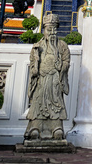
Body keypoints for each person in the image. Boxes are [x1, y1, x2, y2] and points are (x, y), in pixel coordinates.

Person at [24, 12, 70, 142]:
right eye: (49, 29)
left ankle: (56, 127)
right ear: (44, 30)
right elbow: (33, 65)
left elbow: (67, 61)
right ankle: (35, 127)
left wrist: (62, 66)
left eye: (55, 29)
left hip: (55, 80)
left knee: (56, 103)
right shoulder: (37, 47)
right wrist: (36, 63)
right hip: (42, 79)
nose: (52, 33)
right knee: (38, 102)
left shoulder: (62, 46)